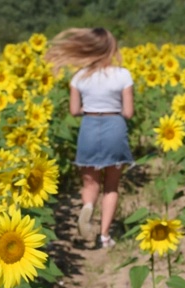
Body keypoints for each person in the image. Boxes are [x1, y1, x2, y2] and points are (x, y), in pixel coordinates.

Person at [44, 27, 134, 249]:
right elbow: (129, 112)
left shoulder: (79, 77)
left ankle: (87, 207)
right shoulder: (123, 75)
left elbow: (74, 111)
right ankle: (104, 236)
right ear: (110, 49)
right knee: (111, 186)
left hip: (89, 126)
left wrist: (90, 107)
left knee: (90, 181)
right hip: (114, 125)